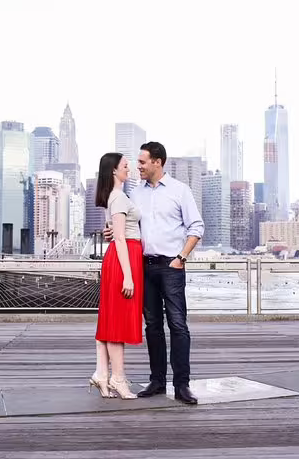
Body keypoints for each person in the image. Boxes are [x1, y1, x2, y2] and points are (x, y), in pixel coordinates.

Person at [105, 142, 204, 405]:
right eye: (136, 162)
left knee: (178, 325)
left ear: (157, 162)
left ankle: (182, 385)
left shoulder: (180, 190)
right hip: (143, 267)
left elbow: (196, 226)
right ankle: (158, 381)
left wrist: (181, 258)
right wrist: (111, 233)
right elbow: (125, 225)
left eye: (142, 162)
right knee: (152, 326)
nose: (138, 166)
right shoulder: (135, 194)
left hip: (171, 266)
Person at [90, 152, 144, 400]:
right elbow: (121, 237)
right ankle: (118, 379)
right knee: (119, 322)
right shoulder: (119, 197)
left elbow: (114, 233)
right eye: (125, 166)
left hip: (119, 257)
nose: (129, 170)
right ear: (114, 170)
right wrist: (129, 276)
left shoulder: (113, 197)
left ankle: (102, 373)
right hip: (125, 257)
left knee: (110, 319)